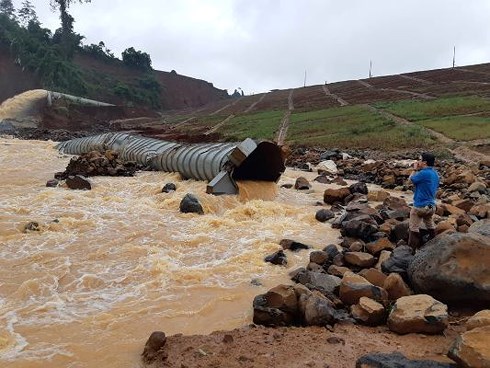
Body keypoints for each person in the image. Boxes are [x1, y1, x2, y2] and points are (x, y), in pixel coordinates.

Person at [408, 152, 439, 251]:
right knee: (429, 224)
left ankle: (410, 251)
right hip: (431, 206)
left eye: (420, 160)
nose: (418, 161)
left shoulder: (423, 173)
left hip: (420, 206)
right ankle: (434, 245)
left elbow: (410, 180)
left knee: (413, 227)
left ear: (424, 163)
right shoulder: (435, 173)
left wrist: (414, 169)